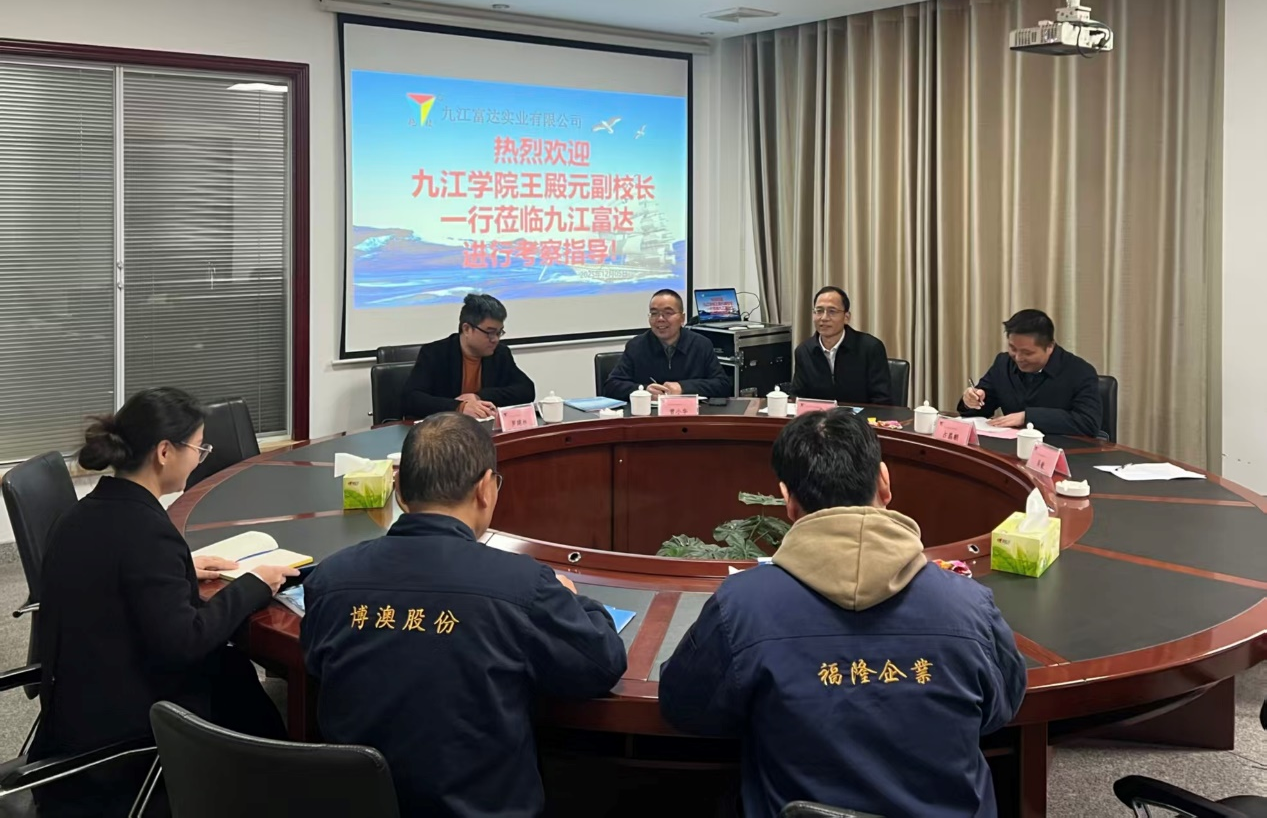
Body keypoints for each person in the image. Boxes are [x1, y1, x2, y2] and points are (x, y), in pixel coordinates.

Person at [659, 408, 1027, 818]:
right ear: (884, 482)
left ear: (787, 500)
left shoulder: (741, 606)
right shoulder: (969, 606)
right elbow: (1001, 709)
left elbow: (685, 707)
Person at [301, 412, 627, 817]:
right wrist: (574, 600)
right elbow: (601, 663)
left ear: (398, 489)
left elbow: (315, 664)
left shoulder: (330, 579)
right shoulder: (523, 585)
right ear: (485, 489)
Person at [30, 387, 297, 818]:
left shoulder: (81, 515)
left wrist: (182, 566)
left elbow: (117, 574)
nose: (201, 458)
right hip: (123, 743)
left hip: (75, 712)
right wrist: (253, 584)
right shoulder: (147, 532)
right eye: (199, 448)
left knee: (234, 674)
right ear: (164, 452)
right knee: (232, 676)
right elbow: (186, 642)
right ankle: (284, 787)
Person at [958, 308, 1103, 436]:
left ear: (1050, 347)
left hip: (1062, 451)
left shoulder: (1079, 372)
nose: (1018, 358)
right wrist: (971, 401)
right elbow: (981, 408)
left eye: (1027, 353)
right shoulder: (1003, 363)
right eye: (1013, 348)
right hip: (1011, 448)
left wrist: (1027, 417)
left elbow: (1088, 423)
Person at [402, 293, 536, 419]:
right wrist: (460, 407)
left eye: (499, 332)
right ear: (466, 329)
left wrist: (479, 396)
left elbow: (527, 390)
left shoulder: (500, 353)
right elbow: (411, 399)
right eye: (489, 332)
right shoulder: (435, 353)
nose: (495, 339)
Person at [603, 289, 731, 401]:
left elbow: (722, 385)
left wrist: (683, 388)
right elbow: (611, 386)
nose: (660, 319)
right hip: (650, 416)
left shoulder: (700, 345)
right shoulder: (636, 346)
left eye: (668, 313)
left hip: (691, 414)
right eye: (654, 313)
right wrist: (643, 390)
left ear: (682, 318)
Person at [790, 286, 892, 405]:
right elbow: (797, 397)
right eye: (819, 311)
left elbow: (881, 400)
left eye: (832, 311)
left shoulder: (870, 348)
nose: (824, 318)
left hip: (861, 416)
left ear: (846, 317)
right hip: (818, 416)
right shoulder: (804, 351)